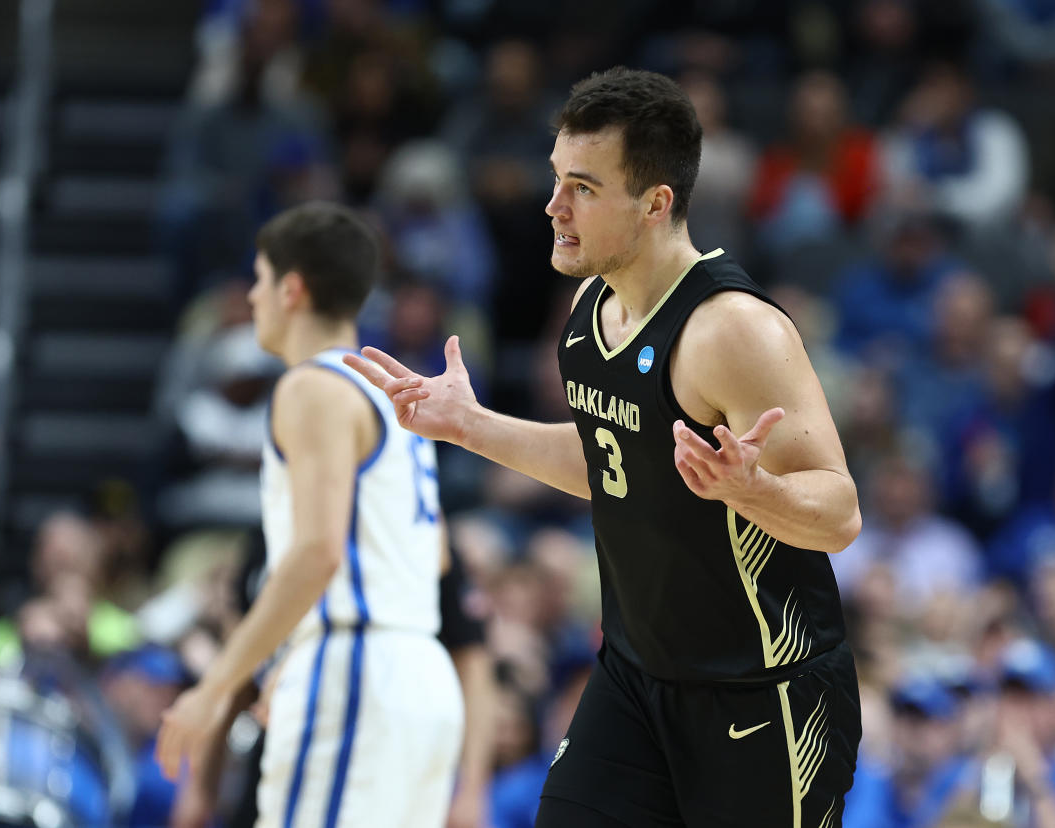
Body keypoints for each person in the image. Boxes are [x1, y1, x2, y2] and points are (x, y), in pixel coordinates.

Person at [346, 67, 862, 828]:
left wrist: (756, 491)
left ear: (655, 203)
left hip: (763, 695)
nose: (554, 207)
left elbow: (841, 512)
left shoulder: (733, 330)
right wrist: (469, 425)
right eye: (556, 180)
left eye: (582, 188)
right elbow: (613, 463)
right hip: (634, 679)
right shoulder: (592, 310)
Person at [155, 202, 463, 827]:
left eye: (260, 279)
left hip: (358, 672)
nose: (253, 296)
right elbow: (434, 557)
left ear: (292, 288)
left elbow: (318, 553)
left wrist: (214, 688)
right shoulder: (394, 393)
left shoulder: (312, 387)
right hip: (423, 679)